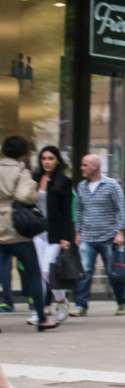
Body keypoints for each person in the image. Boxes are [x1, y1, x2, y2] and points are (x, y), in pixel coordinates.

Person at [0, 136, 56, 330]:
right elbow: (25, 196)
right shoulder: (21, 172)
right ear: (22, 152)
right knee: (33, 273)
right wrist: (32, 189)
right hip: (18, 230)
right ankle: (42, 318)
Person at [71, 153, 125, 317]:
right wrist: (78, 233)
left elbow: (121, 209)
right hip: (87, 237)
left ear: (94, 166)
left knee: (113, 272)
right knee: (85, 271)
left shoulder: (111, 185)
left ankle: (122, 302)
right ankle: (81, 305)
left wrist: (120, 232)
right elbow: (79, 211)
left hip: (108, 236)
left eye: (84, 165)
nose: (81, 168)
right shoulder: (82, 186)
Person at [32, 146, 73, 323]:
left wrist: (66, 237)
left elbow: (67, 213)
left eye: (50, 158)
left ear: (57, 160)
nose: (47, 162)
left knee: (47, 272)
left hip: (55, 234)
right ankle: (40, 311)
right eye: (44, 158)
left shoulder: (64, 182)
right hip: (36, 232)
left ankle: (62, 301)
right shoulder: (34, 178)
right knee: (39, 273)